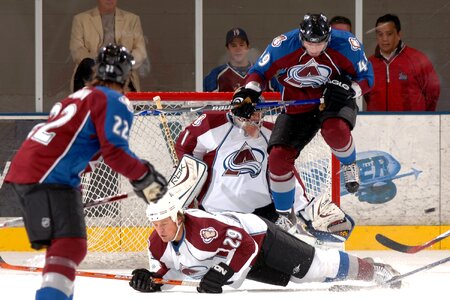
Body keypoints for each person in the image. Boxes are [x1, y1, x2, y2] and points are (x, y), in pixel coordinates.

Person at [4, 44, 167, 300]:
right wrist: (144, 175)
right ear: (125, 75)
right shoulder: (115, 99)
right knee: (69, 246)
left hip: (28, 170)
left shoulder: (76, 97)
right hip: (49, 176)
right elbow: (114, 152)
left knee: (66, 247)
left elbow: (73, 144)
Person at [230, 13, 374, 227]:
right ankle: (285, 215)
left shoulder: (347, 45)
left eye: (321, 42)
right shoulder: (282, 46)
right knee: (278, 159)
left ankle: (348, 163)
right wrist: (249, 92)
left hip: (333, 99)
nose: (315, 49)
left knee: (335, 131)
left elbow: (367, 79)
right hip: (298, 106)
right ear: (300, 36)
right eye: (309, 43)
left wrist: (350, 91)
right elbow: (259, 72)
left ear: (329, 36)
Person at [128, 196, 401, 293]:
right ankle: (366, 266)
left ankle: (376, 270)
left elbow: (246, 245)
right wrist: (150, 282)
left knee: (313, 268)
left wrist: (224, 272)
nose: (160, 229)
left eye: (164, 221)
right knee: (299, 280)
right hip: (242, 262)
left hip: (260, 237)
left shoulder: (204, 228)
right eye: (155, 223)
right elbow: (165, 274)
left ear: (178, 216)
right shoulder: (157, 243)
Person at [174, 105, 354, 243]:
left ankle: (333, 262)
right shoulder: (212, 124)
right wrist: (187, 203)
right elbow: (184, 148)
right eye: (252, 114)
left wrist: (304, 207)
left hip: (262, 217)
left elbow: (284, 170)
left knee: (292, 257)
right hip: (215, 214)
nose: (256, 118)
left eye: (259, 112)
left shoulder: (272, 131)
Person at [364, 14, 440, 111]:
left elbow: (433, 92)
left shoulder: (417, 59)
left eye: (389, 34)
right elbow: (367, 96)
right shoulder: (369, 64)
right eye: (380, 34)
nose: (384, 39)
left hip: (412, 124)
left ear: (399, 35)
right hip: (377, 124)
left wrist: (423, 118)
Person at [70, 0, 147, 92]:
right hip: (92, 73)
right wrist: (102, 63)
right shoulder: (81, 19)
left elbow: (140, 51)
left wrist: (123, 63)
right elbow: (77, 50)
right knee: (87, 63)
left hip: (123, 75)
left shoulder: (132, 19)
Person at [203, 27, 280, 92]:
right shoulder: (216, 75)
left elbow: (279, 100)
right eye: (233, 45)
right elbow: (207, 104)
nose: (238, 49)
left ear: (247, 47)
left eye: (241, 45)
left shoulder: (262, 72)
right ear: (227, 48)